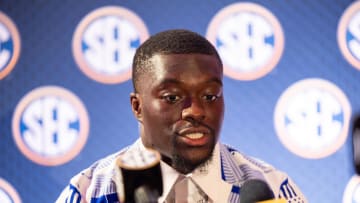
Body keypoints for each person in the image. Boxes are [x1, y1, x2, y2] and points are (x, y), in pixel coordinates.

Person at [56, 29, 307, 203]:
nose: (196, 111)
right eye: (172, 98)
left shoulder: (273, 187)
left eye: (210, 96)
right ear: (137, 107)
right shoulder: (89, 192)